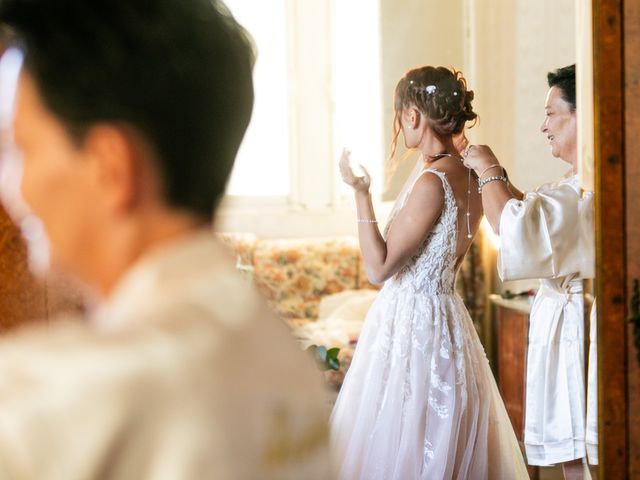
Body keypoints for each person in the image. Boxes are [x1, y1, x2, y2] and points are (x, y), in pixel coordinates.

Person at [0, 1, 331, 478]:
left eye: (18, 147)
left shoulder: (50, 399)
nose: (9, 184)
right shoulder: (282, 352)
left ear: (110, 168)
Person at [331, 66, 528, 479]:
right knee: (439, 439)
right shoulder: (473, 177)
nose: (399, 124)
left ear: (414, 116)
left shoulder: (432, 182)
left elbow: (379, 267)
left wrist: (361, 194)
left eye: (399, 113)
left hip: (412, 326)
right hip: (448, 323)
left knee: (406, 439)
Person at [463, 64, 596, 480]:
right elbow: (534, 220)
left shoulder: (589, 189)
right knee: (573, 456)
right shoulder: (576, 183)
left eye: (552, 112)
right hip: (563, 322)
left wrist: (489, 168)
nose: (543, 126)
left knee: (583, 458)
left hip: (580, 330)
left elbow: (516, 228)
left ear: (582, 114)